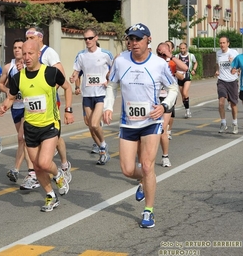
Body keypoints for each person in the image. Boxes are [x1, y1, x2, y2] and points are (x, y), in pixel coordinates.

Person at [103, 23, 178, 228]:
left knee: (147, 165)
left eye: (138, 39)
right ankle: (144, 180)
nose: (134, 43)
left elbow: (173, 88)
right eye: (131, 39)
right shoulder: (120, 61)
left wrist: (163, 107)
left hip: (151, 121)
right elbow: (112, 85)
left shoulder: (159, 64)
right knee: (127, 169)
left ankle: (148, 210)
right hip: (128, 123)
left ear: (148, 40)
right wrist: (108, 107)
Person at [0, 40, 74, 212]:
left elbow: (67, 88)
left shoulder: (51, 73)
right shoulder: (18, 77)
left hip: (50, 125)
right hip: (30, 127)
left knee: (45, 162)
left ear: (38, 54)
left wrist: (68, 110)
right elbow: (10, 97)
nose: (26, 57)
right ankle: (50, 196)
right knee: (36, 166)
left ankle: (59, 175)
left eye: (30, 53)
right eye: (24, 54)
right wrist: (4, 106)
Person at [24, 26, 72, 188]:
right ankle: (34, 173)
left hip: (50, 102)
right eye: (26, 37)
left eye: (31, 37)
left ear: (40, 38)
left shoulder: (48, 52)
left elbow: (61, 75)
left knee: (55, 136)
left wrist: (48, 91)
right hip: (32, 106)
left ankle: (64, 164)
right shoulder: (28, 53)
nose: (28, 40)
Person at [70, 28, 113, 165]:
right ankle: (102, 151)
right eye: (85, 39)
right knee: (90, 125)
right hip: (87, 95)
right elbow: (76, 71)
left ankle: (104, 144)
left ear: (96, 38)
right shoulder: (81, 55)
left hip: (101, 94)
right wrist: (74, 78)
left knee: (95, 124)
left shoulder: (105, 54)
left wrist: (109, 80)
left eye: (90, 38)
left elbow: (114, 69)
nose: (87, 41)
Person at [0, 38, 35, 186]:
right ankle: (20, 169)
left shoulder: (30, 65)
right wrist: (9, 91)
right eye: (15, 47)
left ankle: (28, 170)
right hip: (16, 107)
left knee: (23, 137)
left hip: (28, 107)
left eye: (20, 47)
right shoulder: (9, 67)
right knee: (22, 139)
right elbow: (0, 83)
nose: (17, 50)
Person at [156, 43, 187, 168]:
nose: (162, 54)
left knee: (162, 128)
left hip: (167, 98)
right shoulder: (154, 63)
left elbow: (185, 68)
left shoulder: (172, 63)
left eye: (164, 52)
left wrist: (171, 56)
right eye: (160, 52)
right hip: (153, 98)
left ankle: (165, 156)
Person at [215, 36, 239, 134]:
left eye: (224, 43)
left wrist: (233, 64)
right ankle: (223, 123)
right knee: (221, 102)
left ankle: (234, 123)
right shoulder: (218, 53)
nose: (222, 45)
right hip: (221, 80)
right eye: (220, 43)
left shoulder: (234, 53)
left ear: (228, 43)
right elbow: (218, 64)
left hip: (232, 81)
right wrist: (217, 70)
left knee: (233, 104)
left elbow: (239, 66)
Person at [175, 42, 198, 119]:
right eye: (180, 48)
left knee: (185, 92)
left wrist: (194, 70)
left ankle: (188, 111)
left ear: (186, 48)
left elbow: (195, 63)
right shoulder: (177, 56)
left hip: (188, 75)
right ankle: (187, 110)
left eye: (183, 48)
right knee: (182, 95)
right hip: (179, 76)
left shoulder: (191, 56)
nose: (182, 50)